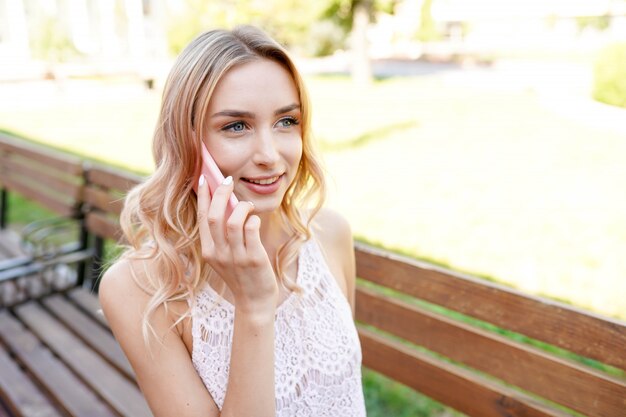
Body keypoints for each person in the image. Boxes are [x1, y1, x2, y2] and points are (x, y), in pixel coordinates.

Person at [99, 25, 366, 417]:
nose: (270, 155)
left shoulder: (330, 235)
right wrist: (255, 305)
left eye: (286, 121)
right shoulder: (137, 288)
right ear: (187, 143)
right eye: (236, 126)